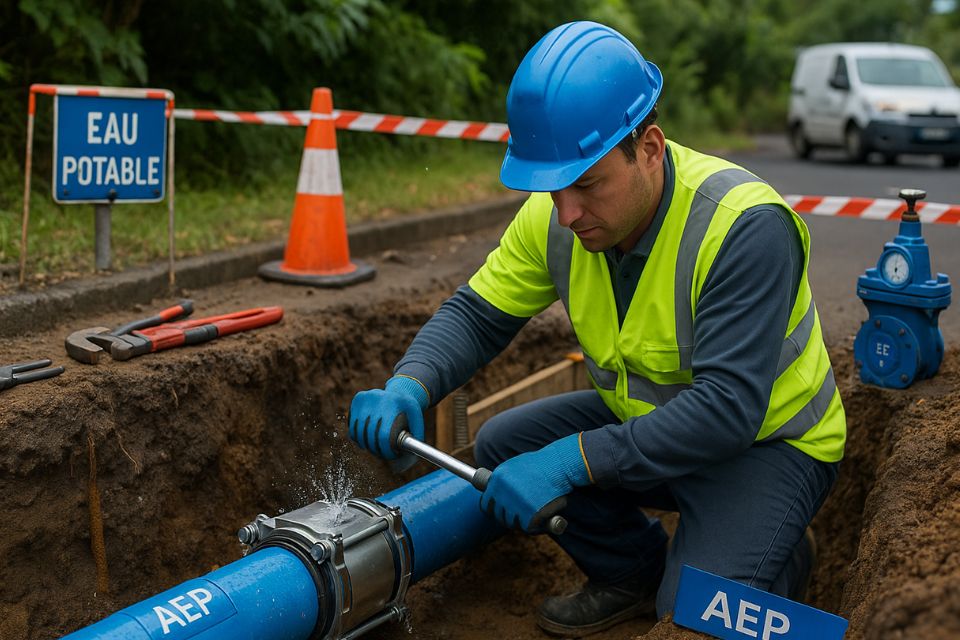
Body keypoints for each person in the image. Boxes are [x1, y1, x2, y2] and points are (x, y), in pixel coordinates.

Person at [348, 20, 845, 637]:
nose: (567, 212)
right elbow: (478, 314)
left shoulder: (744, 228)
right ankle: (631, 574)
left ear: (650, 149)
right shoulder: (556, 216)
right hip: (653, 428)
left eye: (586, 184)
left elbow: (726, 410)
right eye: (553, 188)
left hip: (767, 447)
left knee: (690, 618)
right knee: (507, 442)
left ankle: (781, 555)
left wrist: (569, 461)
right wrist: (410, 384)